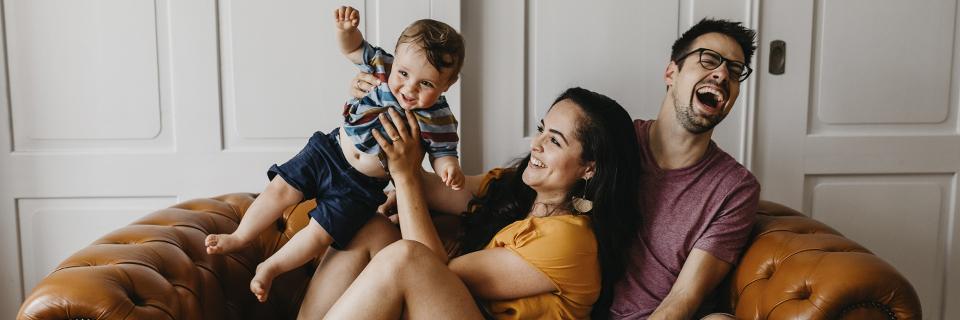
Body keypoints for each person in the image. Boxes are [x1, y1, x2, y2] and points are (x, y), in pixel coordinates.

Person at [297, 87, 642, 319]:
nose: (536, 144)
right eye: (541, 129)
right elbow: (436, 187)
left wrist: (404, 178)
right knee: (369, 226)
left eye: (554, 140)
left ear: (589, 168)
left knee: (407, 257)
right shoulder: (515, 188)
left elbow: (432, 271)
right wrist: (383, 99)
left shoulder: (571, 239)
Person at [203, 5, 466, 303]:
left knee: (320, 232)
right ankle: (240, 236)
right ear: (396, 59)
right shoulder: (382, 67)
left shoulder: (438, 116)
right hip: (330, 150)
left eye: (426, 84)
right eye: (404, 73)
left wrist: (449, 167)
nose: (408, 88)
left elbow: (443, 150)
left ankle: (271, 267)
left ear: (448, 84)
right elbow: (354, 49)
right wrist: (347, 32)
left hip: (362, 186)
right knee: (280, 189)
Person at [608, 19, 761, 319]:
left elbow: (685, 296)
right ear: (671, 73)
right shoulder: (615, 140)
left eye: (734, 71)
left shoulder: (735, 188)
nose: (721, 74)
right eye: (709, 60)